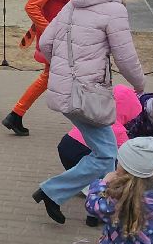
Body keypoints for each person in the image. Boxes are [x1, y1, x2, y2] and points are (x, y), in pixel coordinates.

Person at [33, 0, 145, 224]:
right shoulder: (114, 9)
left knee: (104, 153)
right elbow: (125, 56)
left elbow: (45, 42)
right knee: (107, 154)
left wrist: (63, 68)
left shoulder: (73, 3)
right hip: (88, 94)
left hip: (65, 92)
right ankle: (55, 192)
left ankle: (77, 201)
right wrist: (140, 84)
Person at [2, 0, 88, 136]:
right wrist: (49, 29)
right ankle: (85, 122)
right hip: (55, 37)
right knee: (64, 76)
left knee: (54, 76)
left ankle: (16, 115)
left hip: (64, 35)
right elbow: (31, 6)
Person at [57, 84, 142, 226]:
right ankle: (96, 211)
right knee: (112, 169)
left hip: (66, 146)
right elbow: (127, 159)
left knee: (95, 168)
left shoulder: (97, 118)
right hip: (82, 154)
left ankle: (86, 187)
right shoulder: (118, 131)